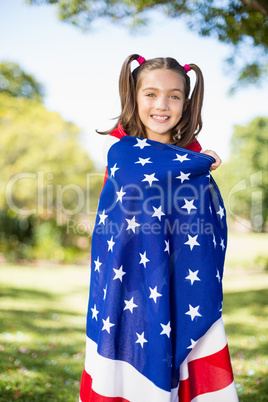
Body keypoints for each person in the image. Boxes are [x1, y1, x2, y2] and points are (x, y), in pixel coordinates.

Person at [79, 54, 238, 402]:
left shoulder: (193, 163)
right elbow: (116, 230)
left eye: (174, 95)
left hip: (183, 290)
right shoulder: (122, 154)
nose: (162, 105)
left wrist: (198, 166)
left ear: (186, 102)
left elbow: (200, 228)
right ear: (134, 98)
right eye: (150, 94)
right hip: (132, 290)